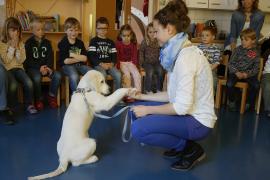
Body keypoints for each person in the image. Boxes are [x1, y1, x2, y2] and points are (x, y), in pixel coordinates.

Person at [127, 0, 217, 171]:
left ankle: (189, 149)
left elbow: (181, 107)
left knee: (138, 129)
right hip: (188, 114)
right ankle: (180, 145)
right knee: (137, 107)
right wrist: (141, 96)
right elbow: (172, 95)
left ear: (169, 29)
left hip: (198, 122)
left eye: (157, 30)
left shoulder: (185, 58)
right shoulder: (177, 52)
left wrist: (148, 110)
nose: (154, 35)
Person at [0, 17, 37, 114]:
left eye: (17, 30)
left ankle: (29, 104)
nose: (15, 33)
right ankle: (10, 107)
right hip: (8, 69)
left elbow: (22, 60)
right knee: (13, 86)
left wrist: (17, 47)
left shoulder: (21, 43)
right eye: (13, 30)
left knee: (29, 83)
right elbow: (6, 60)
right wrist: (12, 46)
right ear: (7, 31)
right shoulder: (2, 44)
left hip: (19, 69)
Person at [24, 18, 62, 110]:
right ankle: (38, 99)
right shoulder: (28, 43)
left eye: (42, 29)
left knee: (57, 75)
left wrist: (48, 68)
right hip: (33, 68)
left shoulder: (47, 43)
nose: (41, 32)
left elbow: (50, 57)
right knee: (37, 78)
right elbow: (27, 60)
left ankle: (51, 96)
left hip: (46, 67)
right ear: (32, 31)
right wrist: (39, 67)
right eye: (38, 30)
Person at [226, 28, 260, 111]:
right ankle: (232, 101)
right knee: (229, 84)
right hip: (236, 73)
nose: (243, 41)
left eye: (246, 40)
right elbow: (230, 63)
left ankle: (248, 103)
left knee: (256, 85)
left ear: (253, 40)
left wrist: (246, 74)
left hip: (249, 75)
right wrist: (237, 72)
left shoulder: (256, 52)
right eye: (242, 40)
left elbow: (256, 68)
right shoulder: (237, 49)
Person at [58, 17, 91, 93]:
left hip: (80, 65)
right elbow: (66, 61)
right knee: (74, 76)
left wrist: (72, 54)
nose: (74, 33)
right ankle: (76, 97)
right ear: (66, 31)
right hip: (67, 67)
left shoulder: (80, 43)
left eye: (76, 30)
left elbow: (85, 58)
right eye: (71, 30)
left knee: (92, 72)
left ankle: (88, 95)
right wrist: (79, 58)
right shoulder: (63, 43)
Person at [87, 17, 121, 91]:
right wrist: (102, 64)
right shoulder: (93, 41)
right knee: (102, 74)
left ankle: (117, 97)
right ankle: (102, 96)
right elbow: (92, 56)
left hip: (109, 65)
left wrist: (112, 64)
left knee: (118, 75)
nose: (103, 30)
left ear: (107, 29)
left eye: (105, 28)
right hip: (98, 65)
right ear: (96, 29)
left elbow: (114, 55)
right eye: (100, 28)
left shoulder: (111, 42)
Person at [139, 22, 164, 94]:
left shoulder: (158, 41)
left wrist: (163, 63)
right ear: (147, 33)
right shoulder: (145, 42)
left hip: (157, 62)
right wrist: (140, 65)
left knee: (161, 71)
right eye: (150, 32)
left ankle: (159, 90)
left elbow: (162, 52)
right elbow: (141, 53)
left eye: (154, 32)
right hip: (147, 62)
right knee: (150, 71)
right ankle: (148, 90)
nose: (152, 34)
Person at [116, 24, 141, 92]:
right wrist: (118, 66)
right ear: (121, 35)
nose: (126, 37)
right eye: (124, 36)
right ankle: (127, 94)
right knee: (127, 76)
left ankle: (137, 93)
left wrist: (135, 66)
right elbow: (117, 55)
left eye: (128, 35)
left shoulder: (133, 43)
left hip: (130, 62)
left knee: (137, 74)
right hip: (122, 63)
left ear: (131, 35)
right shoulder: (118, 44)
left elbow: (134, 55)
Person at [198, 26, 221, 92]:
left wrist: (208, 69)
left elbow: (216, 62)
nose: (204, 37)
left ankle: (211, 98)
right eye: (202, 36)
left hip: (211, 70)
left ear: (213, 37)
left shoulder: (216, 49)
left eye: (207, 35)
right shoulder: (199, 47)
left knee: (213, 82)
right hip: (200, 70)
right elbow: (196, 59)